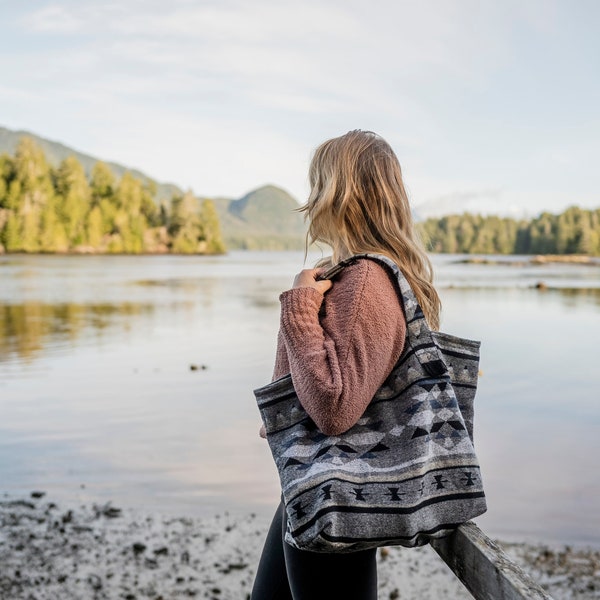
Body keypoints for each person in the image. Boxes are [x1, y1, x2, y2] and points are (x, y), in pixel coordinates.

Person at [250, 129, 442, 600]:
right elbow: (326, 376)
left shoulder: (365, 281)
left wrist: (298, 304)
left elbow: (334, 407)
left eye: (317, 184)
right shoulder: (355, 274)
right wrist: (281, 415)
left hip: (337, 488)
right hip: (321, 482)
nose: (309, 198)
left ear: (340, 193)